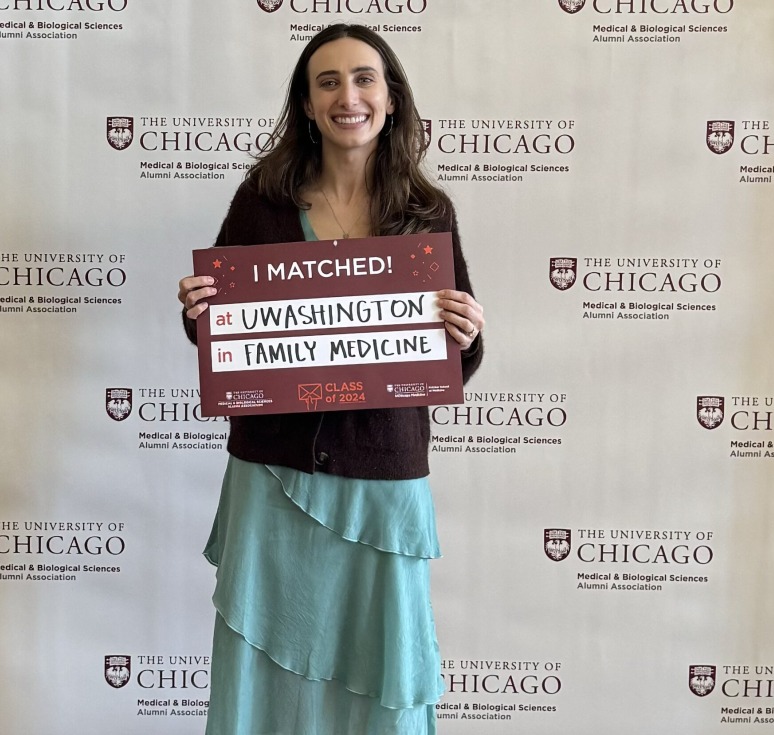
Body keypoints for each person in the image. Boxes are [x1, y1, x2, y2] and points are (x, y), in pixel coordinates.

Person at [176, 23, 485, 735]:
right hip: (273, 480)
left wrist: (467, 335)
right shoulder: (262, 202)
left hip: (384, 484)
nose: (349, 95)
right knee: (263, 672)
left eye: (364, 78)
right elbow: (220, 335)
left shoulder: (428, 214)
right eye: (328, 82)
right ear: (308, 106)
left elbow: (451, 362)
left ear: (392, 97)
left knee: (383, 671)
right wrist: (199, 313)